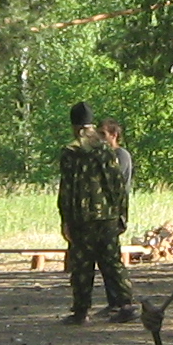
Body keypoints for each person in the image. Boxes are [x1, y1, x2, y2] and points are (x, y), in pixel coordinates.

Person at [55, 99, 135, 325]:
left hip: (82, 219)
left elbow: (67, 189)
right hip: (108, 217)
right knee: (112, 262)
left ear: (74, 125)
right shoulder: (105, 149)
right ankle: (125, 305)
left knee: (82, 265)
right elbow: (118, 185)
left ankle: (81, 311)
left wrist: (65, 219)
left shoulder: (71, 151)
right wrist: (121, 214)